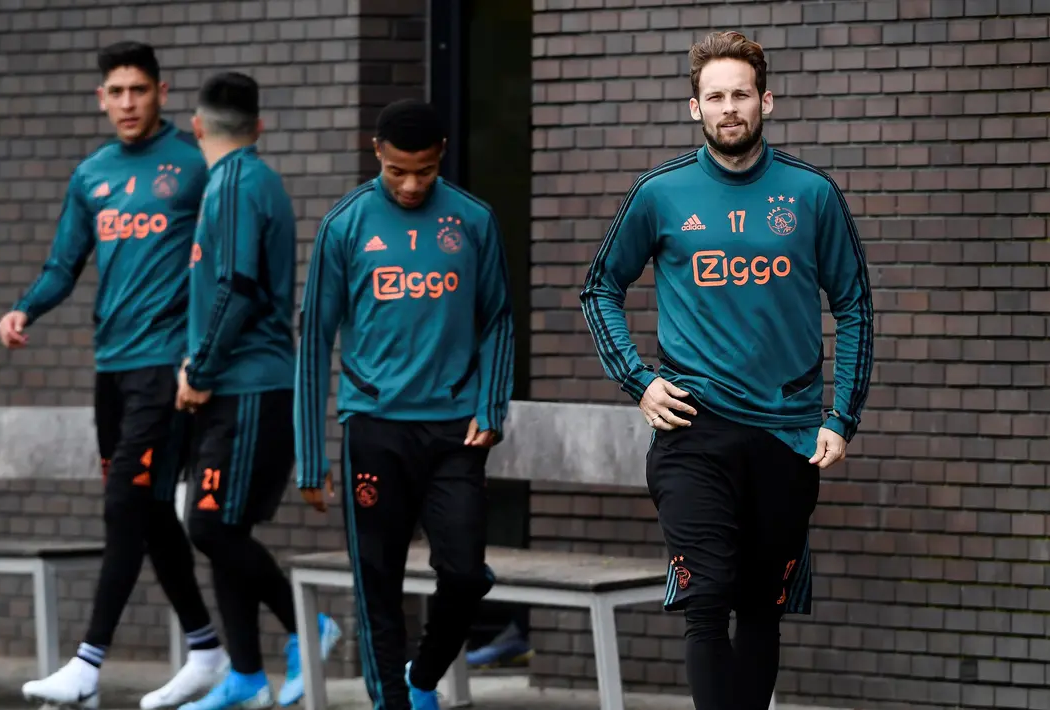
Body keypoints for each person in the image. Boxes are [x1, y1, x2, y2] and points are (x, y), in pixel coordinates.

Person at [579, 30, 874, 710]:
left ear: (765, 101)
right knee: (706, 598)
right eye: (714, 96)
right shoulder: (659, 193)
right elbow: (599, 289)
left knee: (760, 607)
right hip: (693, 429)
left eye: (741, 94)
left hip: (787, 433)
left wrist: (841, 417)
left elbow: (854, 304)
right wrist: (639, 380)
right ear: (694, 108)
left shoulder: (810, 194)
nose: (729, 108)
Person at [0, 41, 230, 710]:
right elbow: (63, 263)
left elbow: (224, 261)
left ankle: (88, 660)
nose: (127, 102)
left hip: (169, 371)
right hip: (113, 370)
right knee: (152, 514)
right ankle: (208, 648)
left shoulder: (194, 165)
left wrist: (206, 354)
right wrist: (24, 309)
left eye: (139, 89)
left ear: (161, 91)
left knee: (124, 505)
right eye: (116, 92)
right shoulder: (91, 174)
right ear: (101, 98)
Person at [294, 98, 515, 710]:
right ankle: (391, 700)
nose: (412, 184)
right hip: (374, 429)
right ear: (377, 154)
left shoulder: (473, 220)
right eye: (398, 171)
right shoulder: (345, 225)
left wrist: (491, 406)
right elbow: (313, 341)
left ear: (441, 153)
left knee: (467, 574)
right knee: (377, 586)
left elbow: (497, 318)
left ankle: (422, 677)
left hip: (455, 431)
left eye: (423, 170)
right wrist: (310, 461)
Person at [174, 71, 341, 710]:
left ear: (196, 127)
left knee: (211, 527)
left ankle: (307, 630)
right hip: (231, 388)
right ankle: (245, 676)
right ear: (260, 125)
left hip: (246, 387)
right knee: (224, 527)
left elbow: (238, 285)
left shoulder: (241, 182)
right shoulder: (236, 180)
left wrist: (201, 371)